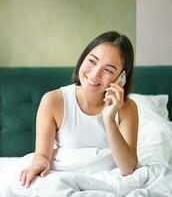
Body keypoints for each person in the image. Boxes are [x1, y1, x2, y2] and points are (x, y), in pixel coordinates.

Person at [19, 31, 138, 188]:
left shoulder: (127, 108)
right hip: (65, 178)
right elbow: (41, 155)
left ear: (121, 78)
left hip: (107, 183)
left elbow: (128, 168)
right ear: (83, 58)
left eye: (108, 70)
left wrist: (109, 120)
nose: (95, 75)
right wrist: (39, 164)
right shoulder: (53, 101)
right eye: (92, 61)